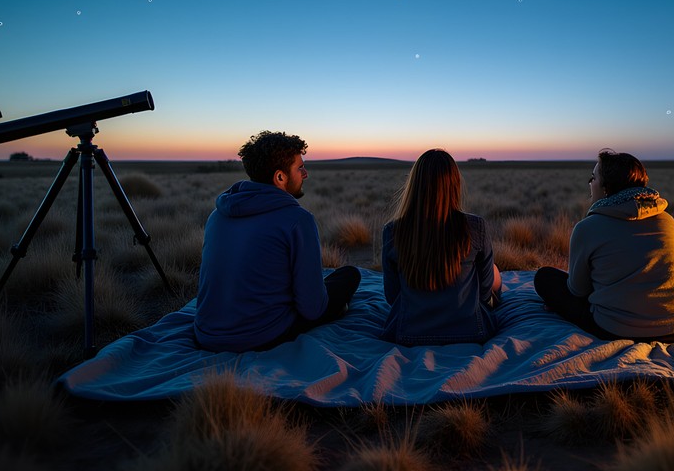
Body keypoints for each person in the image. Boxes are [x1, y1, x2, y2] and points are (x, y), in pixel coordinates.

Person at [194, 130, 361, 353]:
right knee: (349, 275)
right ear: (280, 177)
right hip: (259, 335)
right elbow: (313, 309)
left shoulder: (217, 215)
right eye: (300, 168)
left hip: (206, 333)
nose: (305, 174)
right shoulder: (298, 220)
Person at [534, 149, 674, 343]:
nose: (590, 184)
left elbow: (577, 291)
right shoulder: (669, 220)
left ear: (606, 188)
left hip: (615, 328)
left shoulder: (587, 228)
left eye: (593, 178)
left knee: (545, 278)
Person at [381, 149, 502, 346]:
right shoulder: (475, 226)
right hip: (472, 331)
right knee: (495, 273)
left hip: (408, 333)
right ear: (454, 184)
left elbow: (392, 295)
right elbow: (485, 293)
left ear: (414, 185)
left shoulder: (393, 231)